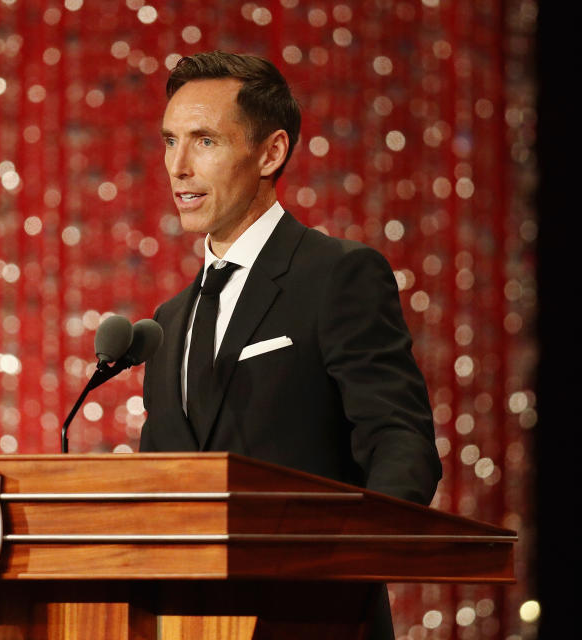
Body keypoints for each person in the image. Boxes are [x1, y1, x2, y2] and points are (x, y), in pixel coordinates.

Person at [139, 51, 442, 639]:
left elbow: (400, 443)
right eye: (169, 141)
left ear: (270, 153)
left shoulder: (338, 275)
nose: (177, 166)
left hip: (313, 620)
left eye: (203, 141)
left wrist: (343, 574)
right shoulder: (166, 324)